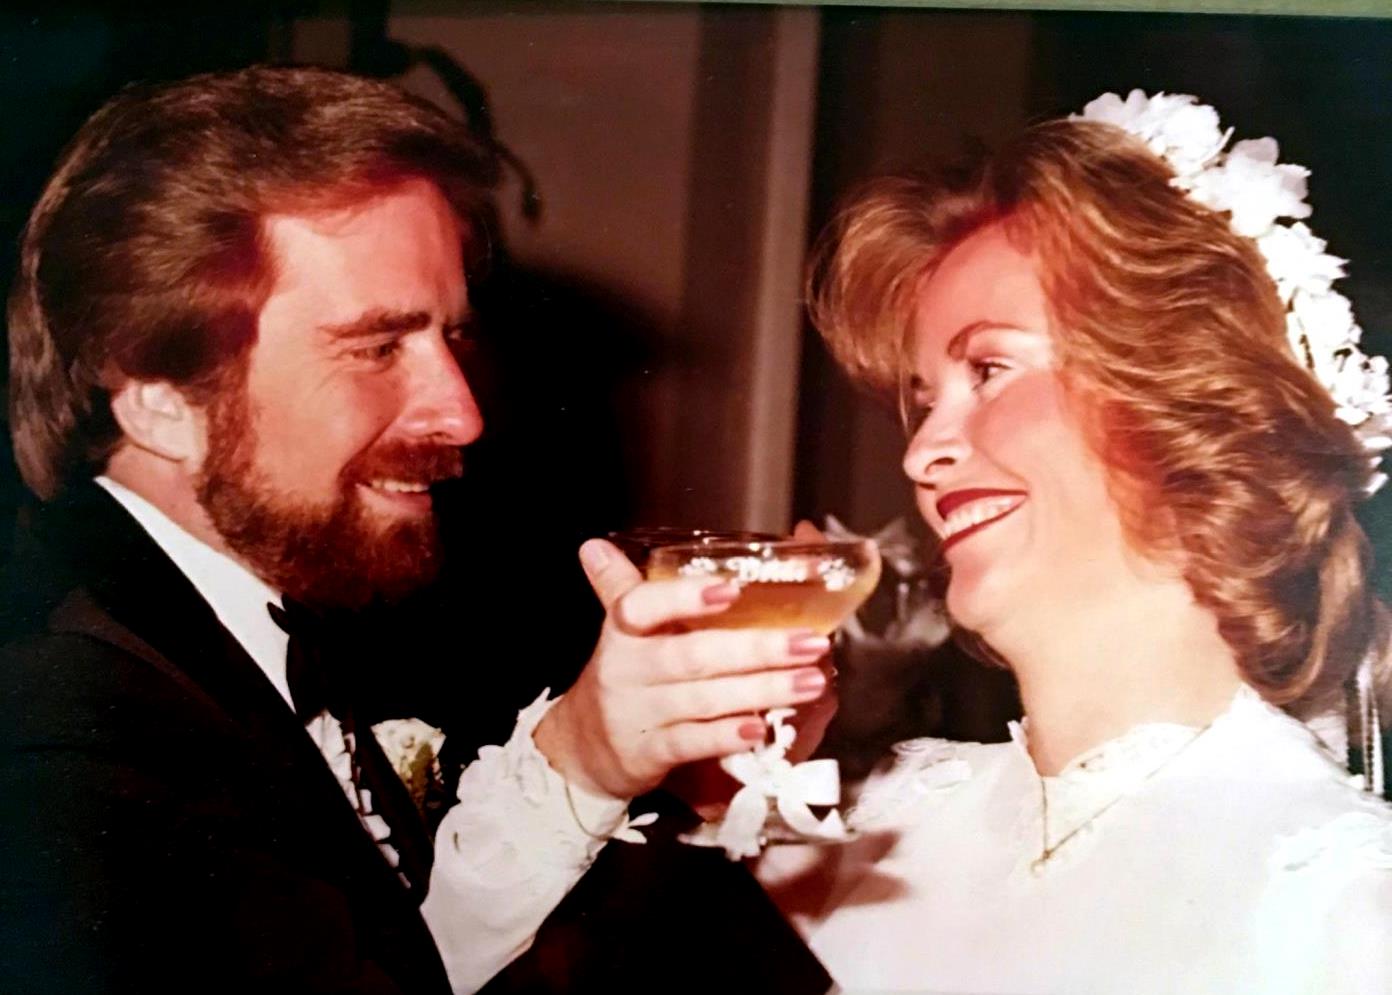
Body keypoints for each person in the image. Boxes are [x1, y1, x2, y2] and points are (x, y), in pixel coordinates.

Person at [0, 65, 833, 994]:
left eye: (454, 337)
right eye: (377, 347)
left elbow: (406, 957)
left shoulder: (283, 621)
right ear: (159, 397)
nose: (462, 415)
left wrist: (601, 762)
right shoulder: (57, 728)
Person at [762, 92, 1392, 993]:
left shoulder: (1347, 909)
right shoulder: (897, 830)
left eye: (989, 369)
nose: (920, 453)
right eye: (925, 400)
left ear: (1185, 399)